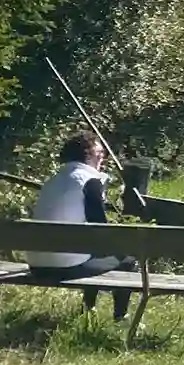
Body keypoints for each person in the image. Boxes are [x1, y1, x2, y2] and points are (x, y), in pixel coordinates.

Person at [28, 130, 135, 319]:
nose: (103, 157)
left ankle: (89, 309)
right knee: (126, 259)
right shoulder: (89, 181)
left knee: (90, 251)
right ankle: (120, 316)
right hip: (64, 268)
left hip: (37, 265)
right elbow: (99, 227)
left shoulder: (52, 181)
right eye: (99, 153)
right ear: (87, 155)